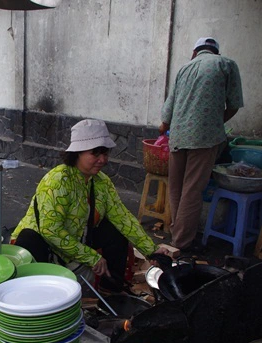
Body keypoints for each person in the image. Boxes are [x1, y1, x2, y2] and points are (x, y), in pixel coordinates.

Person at [11, 119, 168, 292]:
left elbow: (123, 218)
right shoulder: (57, 181)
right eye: (95, 153)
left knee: (115, 231)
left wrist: (151, 250)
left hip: (77, 238)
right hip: (43, 243)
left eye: (105, 153)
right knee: (29, 238)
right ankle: (39, 295)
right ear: (77, 153)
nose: (102, 160)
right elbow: (50, 231)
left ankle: (111, 288)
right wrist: (90, 256)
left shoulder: (101, 182)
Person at [159, 37, 243, 253]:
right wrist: (215, 123)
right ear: (215, 52)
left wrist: (165, 129)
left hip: (178, 135)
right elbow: (233, 104)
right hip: (204, 139)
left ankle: (176, 232)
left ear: (195, 52)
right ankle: (181, 242)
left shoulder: (184, 68)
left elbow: (168, 110)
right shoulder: (226, 64)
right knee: (192, 190)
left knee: (176, 187)